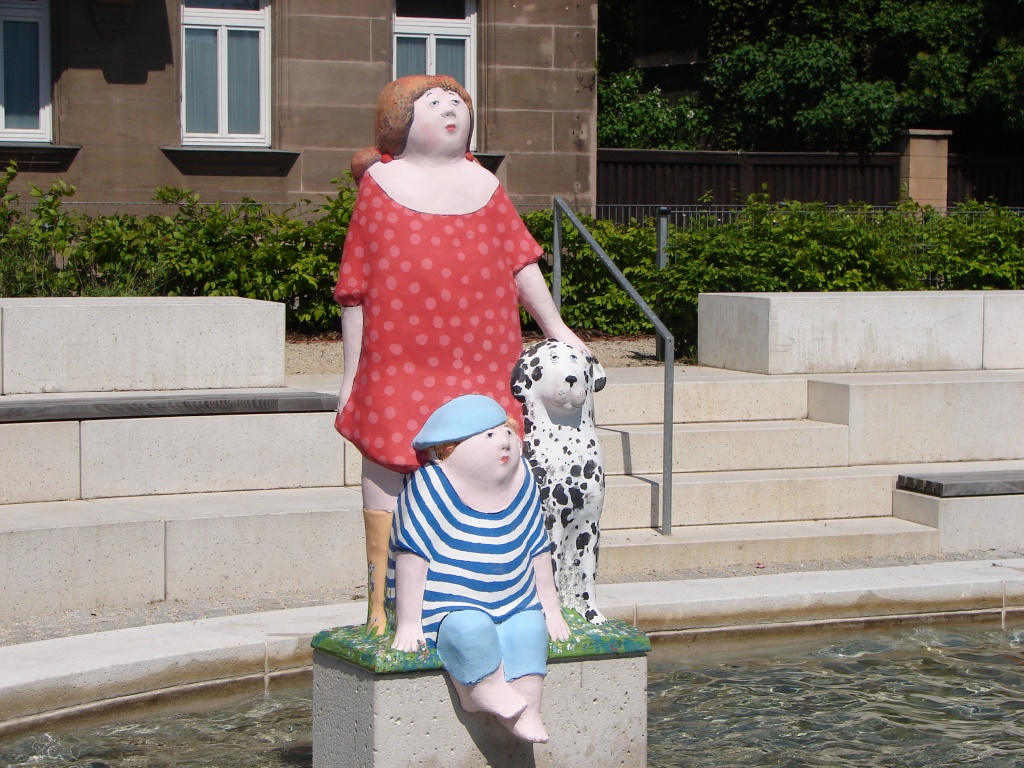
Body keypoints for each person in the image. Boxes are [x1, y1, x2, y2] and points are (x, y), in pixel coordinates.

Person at [334, 75, 587, 634]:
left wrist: (555, 327)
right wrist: (351, 378)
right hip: (397, 360)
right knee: (387, 460)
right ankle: (381, 607)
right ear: (400, 121)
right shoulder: (379, 185)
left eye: (457, 102)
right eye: (433, 102)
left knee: (496, 462)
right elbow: (355, 289)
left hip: (484, 359)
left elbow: (521, 263)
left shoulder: (486, 185)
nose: (450, 109)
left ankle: (501, 595)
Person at [387, 394, 571, 743]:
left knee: (530, 629)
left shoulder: (523, 480)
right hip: (451, 602)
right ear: (448, 450)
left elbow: (537, 548)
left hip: (516, 598)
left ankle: (529, 705)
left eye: (507, 432)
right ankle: (479, 691)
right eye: (488, 435)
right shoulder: (431, 486)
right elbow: (412, 556)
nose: (504, 442)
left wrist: (550, 608)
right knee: (469, 629)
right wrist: (409, 623)